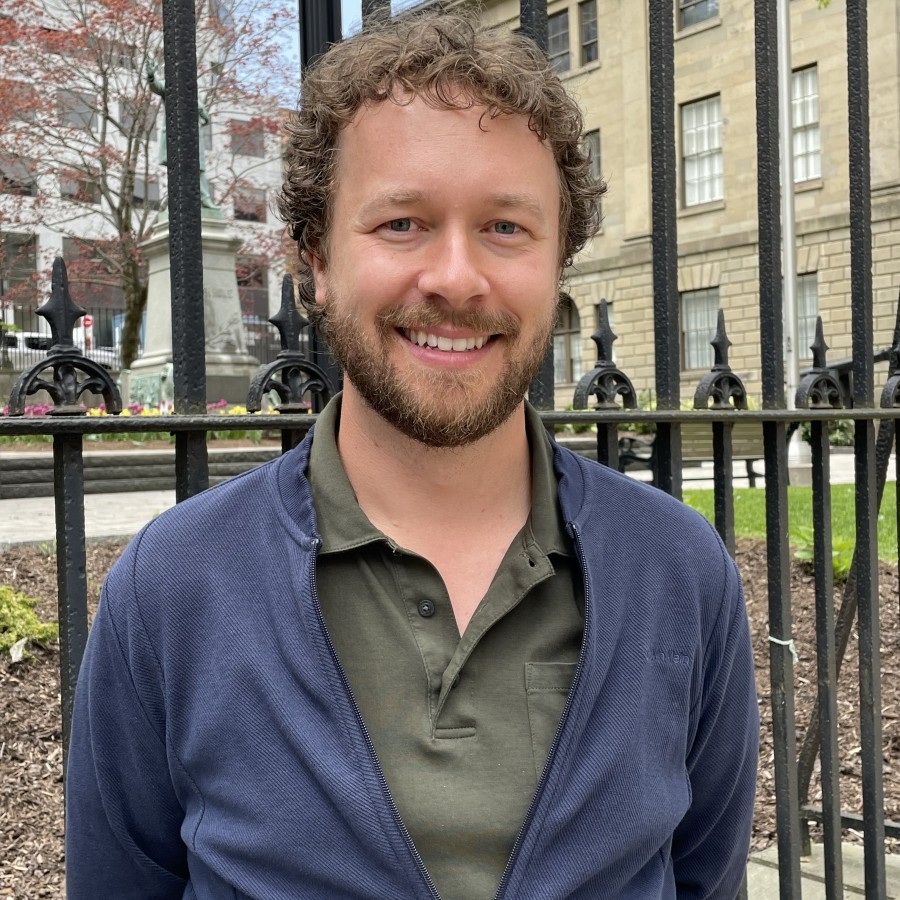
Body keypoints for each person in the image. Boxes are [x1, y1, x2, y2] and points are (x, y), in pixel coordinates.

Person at [66, 10, 759, 899]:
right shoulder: (172, 589)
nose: (456, 277)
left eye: (507, 228)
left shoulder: (680, 571)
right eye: (401, 223)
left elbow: (706, 875)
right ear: (316, 260)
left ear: (559, 264)